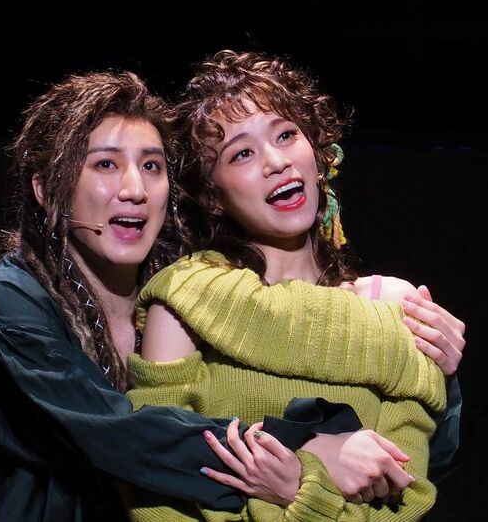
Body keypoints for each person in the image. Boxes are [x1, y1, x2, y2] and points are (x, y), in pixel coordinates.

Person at [0, 69, 382, 522]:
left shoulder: (183, 290)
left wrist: (409, 341)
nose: (135, 190)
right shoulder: (10, 305)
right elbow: (119, 436)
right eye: (105, 164)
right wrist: (296, 450)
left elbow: (292, 354)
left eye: (151, 166)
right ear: (46, 189)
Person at [126, 50, 465, 521]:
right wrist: (308, 459)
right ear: (212, 195)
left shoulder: (392, 307)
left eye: (286, 134)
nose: (276, 161)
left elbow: (406, 499)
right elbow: (155, 486)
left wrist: (301, 493)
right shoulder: (185, 297)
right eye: (242, 153)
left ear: (318, 153)